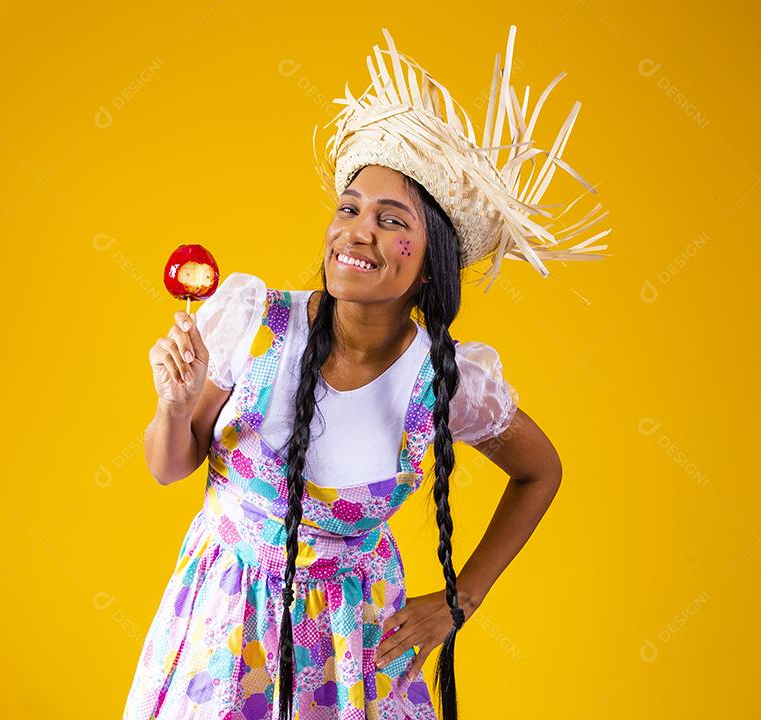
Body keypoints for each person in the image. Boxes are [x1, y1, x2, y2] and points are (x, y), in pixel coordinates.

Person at [126, 24, 610, 720]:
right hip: (220, 635)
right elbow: (169, 467)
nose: (357, 231)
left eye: (391, 220)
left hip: (351, 659)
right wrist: (174, 406)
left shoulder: (443, 383)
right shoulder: (255, 321)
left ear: (430, 263)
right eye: (349, 209)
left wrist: (460, 601)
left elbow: (541, 471)